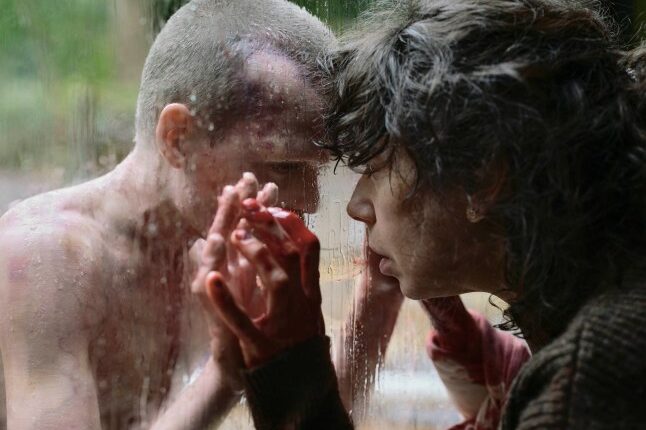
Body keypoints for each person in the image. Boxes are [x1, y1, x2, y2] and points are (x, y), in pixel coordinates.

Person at [202, 0, 646, 428]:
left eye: (376, 166)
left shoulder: (591, 377)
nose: (356, 207)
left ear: (482, 179)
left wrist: (288, 367)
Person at [0, 0, 335, 428]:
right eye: (285, 166)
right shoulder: (45, 258)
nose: (311, 201)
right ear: (177, 139)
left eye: (315, 171)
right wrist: (223, 378)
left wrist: (375, 302)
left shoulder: (204, 263)